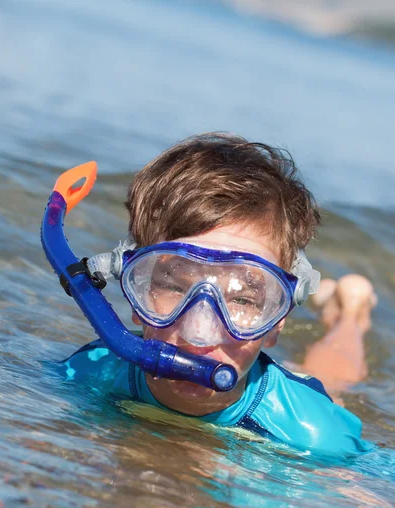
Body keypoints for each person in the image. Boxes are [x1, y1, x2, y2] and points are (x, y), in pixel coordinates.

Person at [58, 133, 377, 458]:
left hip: (293, 398)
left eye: (241, 298)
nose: (200, 333)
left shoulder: (314, 433)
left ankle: (351, 309)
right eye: (176, 286)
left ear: (277, 320)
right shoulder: (89, 372)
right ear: (137, 292)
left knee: (334, 381)